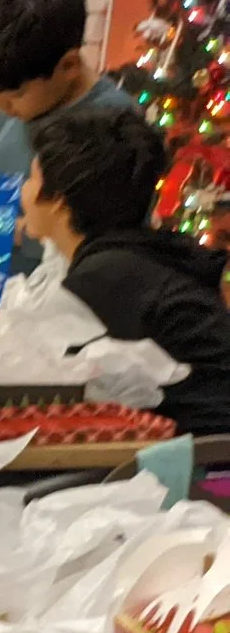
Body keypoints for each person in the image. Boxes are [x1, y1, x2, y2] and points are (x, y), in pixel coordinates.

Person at [23, 102, 230, 437]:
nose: (23, 192)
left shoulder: (102, 282)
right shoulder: (137, 258)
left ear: (59, 198)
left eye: (31, 180)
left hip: (200, 465)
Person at [0, 0, 135, 272]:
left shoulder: (115, 129)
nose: (2, 107)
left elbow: (104, 254)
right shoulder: (25, 95)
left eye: (15, 95)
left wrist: (19, 232)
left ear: (68, 66)